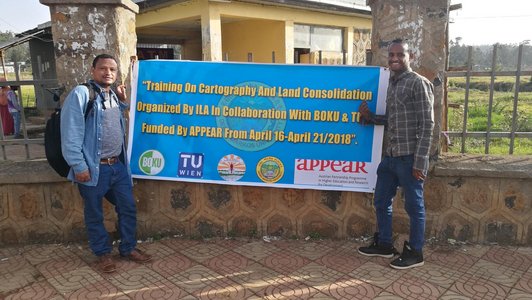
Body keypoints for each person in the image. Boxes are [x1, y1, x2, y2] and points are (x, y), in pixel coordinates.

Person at [61, 54, 151, 273]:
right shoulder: (82, 94)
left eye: (112, 69)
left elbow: (116, 123)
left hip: (117, 167)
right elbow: (70, 133)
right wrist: (78, 165)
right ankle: (102, 254)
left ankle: (128, 247)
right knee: (94, 213)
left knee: (128, 207)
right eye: (103, 68)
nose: (108, 72)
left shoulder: (112, 95)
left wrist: (122, 101)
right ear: (93, 70)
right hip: (94, 168)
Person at [357, 39, 434, 270]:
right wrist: (370, 116)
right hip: (390, 157)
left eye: (400, 54)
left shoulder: (418, 83)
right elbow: (393, 120)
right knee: (381, 200)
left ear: (409, 56)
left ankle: (416, 252)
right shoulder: (392, 83)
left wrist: (420, 162)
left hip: (410, 158)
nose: (394, 59)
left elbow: (427, 125)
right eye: (391, 54)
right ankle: (384, 244)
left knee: (414, 207)